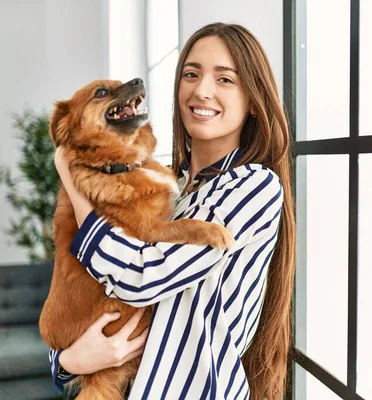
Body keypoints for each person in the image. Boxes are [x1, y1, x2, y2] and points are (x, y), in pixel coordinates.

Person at [49, 22, 295, 400]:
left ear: (253, 101)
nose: (202, 90)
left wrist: (70, 172)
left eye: (225, 79)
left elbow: (138, 276)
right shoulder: (164, 182)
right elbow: (83, 291)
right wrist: (68, 362)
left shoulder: (253, 186)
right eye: (191, 75)